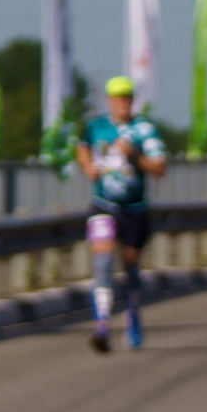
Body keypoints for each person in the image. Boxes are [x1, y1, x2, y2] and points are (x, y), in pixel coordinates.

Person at [76, 75, 167, 352]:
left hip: (134, 208)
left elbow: (160, 167)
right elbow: (82, 148)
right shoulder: (96, 126)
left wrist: (135, 156)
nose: (123, 102)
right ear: (109, 100)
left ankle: (133, 313)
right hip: (103, 204)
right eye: (118, 98)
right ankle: (102, 326)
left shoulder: (144, 129)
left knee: (130, 267)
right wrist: (88, 166)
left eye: (128, 97)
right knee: (103, 262)